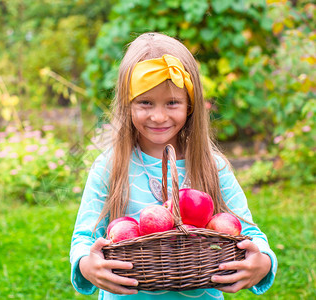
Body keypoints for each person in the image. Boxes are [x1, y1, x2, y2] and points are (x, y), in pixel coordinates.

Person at [70, 32, 277, 299]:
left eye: (172, 102)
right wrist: (88, 265)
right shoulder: (109, 166)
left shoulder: (211, 166)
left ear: (190, 104)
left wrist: (265, 261)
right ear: (127, 104)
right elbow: (83, 238)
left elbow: (249, 231)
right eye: (145, 102)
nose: (158, 116)